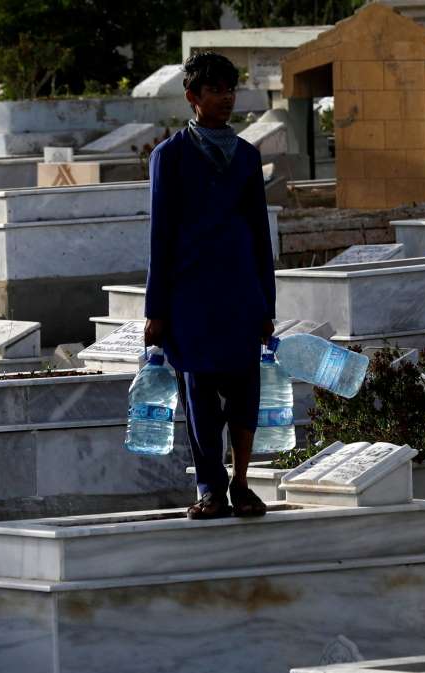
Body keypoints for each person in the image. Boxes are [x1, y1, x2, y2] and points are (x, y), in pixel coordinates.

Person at [144, 52, 275, 519]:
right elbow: (160, 237)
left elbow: (261, 236)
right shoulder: (170, 157)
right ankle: (210, 488)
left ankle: (241, 482)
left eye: (230, 89)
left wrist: (266, 304)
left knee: (245, 392)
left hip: (240, 294)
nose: (226, 98)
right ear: (193, 97)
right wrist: (155, 309)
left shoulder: (246, 156)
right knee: (199, 395)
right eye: (215, 90)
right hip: (190, 300)